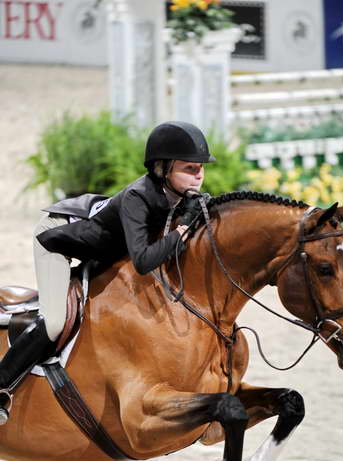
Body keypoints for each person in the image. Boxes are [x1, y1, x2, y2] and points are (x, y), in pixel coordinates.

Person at [0, 121, 215, 424]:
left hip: (104, 248)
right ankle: (2, 384)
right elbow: (142, 260)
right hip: (59, 238)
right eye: (190, 169)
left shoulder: (180, 196)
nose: (198, 176)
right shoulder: (137, 197)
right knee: (55, 321)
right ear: (163, 168)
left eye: (201, 169)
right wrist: (181, 230)